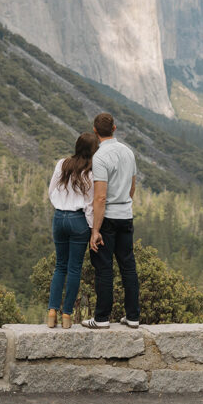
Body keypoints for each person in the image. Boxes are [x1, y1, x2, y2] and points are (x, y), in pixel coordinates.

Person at [81, 112, 141, 329]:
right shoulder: (128, 152)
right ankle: (133, 316)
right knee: (128, 266)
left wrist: (95, 230)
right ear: (114, 128)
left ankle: (102, 318)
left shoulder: (99, 157)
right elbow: (132, 187)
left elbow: (100, 197)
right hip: (126, 215)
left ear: (95, 131)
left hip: (107, 219)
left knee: (104, 268)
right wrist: (125, 204)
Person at [46, 132, 97, 329]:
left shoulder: (62, 164)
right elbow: (91, 204)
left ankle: (52, 312)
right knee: (74, 268)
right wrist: (93, 229)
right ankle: (67, 315)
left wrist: (61, 206)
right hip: (78, 219)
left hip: (59, 217)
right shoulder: (91, 172)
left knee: (60, 266)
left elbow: (51, 191)